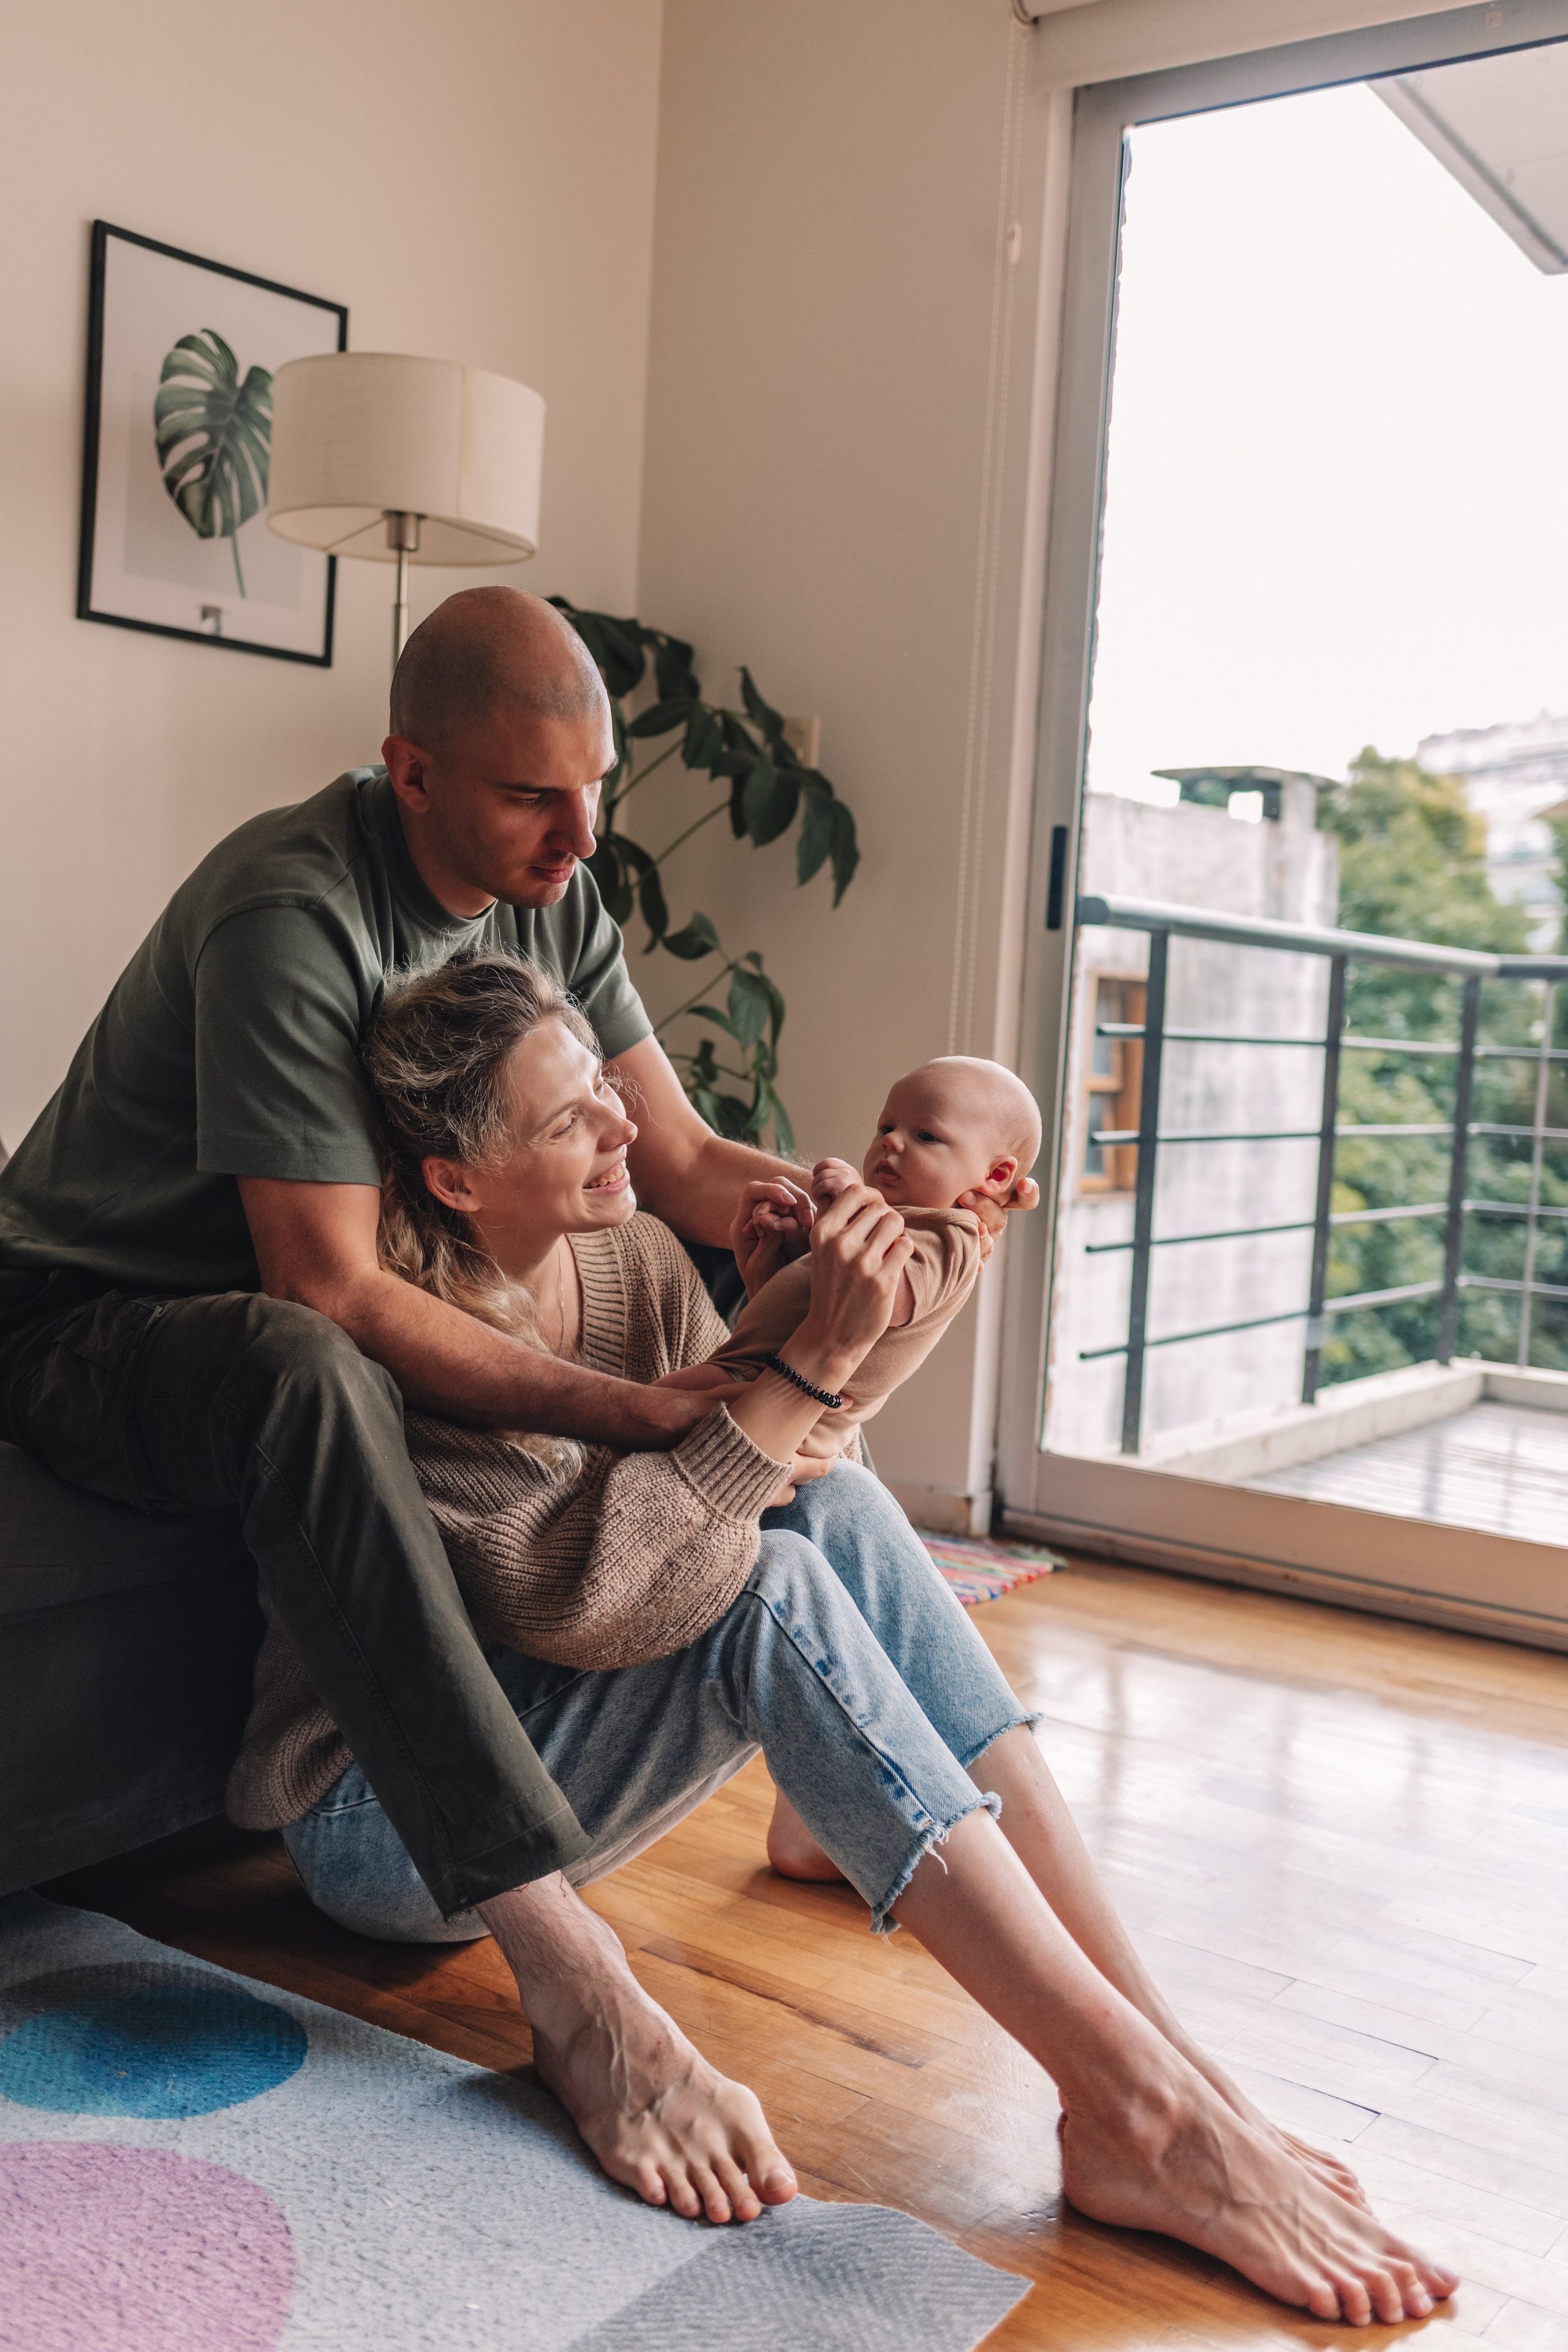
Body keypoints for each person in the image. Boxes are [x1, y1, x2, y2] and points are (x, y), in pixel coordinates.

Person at [0, 586, 1033, 2244]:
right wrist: (648, 1415)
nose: (579, 839)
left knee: (810, 1499)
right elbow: (327, 1286)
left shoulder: (547, 895)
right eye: (531, 799)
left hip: (265, 1317)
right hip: (79, 1319)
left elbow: (683, 1163)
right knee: (304, 1365)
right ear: (409, 772)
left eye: (597, 790)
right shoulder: (297, 909)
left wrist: (848, 1225)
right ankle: (575, 1988)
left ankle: (1101, 1996)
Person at [254, 948, 1455, 2330]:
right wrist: (803, 1360)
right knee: (767, 1597)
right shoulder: (399, 1363)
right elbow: (590, 1604)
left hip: (554, 1727)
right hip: (396, 1827)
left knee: (840, 1522)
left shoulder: (628, 1254)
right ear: (456, 1179)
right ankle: (1140, 2106)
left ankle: (1158, 2062)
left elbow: (805, 1478)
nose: (627, 1127)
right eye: (572, 1119)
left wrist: (784, 1323)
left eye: (606, 1090)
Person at [710, 1054, 1043, 1458]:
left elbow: (879, 1296)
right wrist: (793, 1247)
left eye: (927, 1136)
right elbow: (828, 1290)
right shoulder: (899, 1222)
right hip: (765, 1379)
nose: (890, 1141)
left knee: (654, 1413)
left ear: (995, 1176)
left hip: (792, 1407)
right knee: (650, 1413)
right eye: (887, 1127)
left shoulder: (952, 1234)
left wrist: (854, 1204)